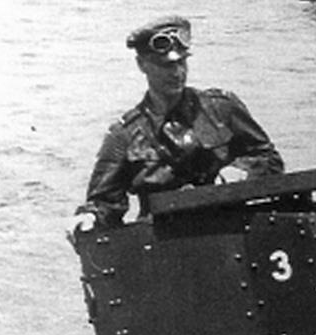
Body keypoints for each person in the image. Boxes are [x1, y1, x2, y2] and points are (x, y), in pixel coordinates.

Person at [70, 16, 284, 233]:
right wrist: (89, 217)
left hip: (230, 230)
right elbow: (104, 202)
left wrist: (240, 173)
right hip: (163, 240)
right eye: (166, 65)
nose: (177, 73)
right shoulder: (124, 135)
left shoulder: (221, 108)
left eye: (182, 62)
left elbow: (270, 159)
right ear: (142, 65)